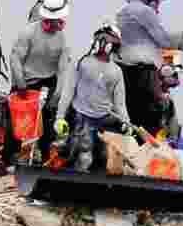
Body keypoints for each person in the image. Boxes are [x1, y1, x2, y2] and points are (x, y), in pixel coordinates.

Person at [115, 0, 183, 138]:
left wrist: (182, 44)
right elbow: (163, 39)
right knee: (151, 121)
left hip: (124, 72)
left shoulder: (123, 11)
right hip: (142, 74)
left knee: (132, 119)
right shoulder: (144, 11)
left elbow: (147, 40)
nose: (158, 4)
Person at [3, 0, 73, 171]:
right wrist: (19, 82)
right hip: (25, 83)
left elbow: (63, 69)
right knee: (15, 123)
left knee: (46, 123)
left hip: (47, 83)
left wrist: (57, 94)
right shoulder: (28, 32)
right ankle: (9, 159)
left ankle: (45, 160)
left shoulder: (63, 40)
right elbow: (16, 58)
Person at [55, 21, 132, 172]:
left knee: (104, 159)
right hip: (81, 117)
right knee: (83, 156)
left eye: (107, 40)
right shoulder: (82, 62)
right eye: (101, 38)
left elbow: (119, 103)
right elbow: (68, 91)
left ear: (114, 45)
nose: (103, 43)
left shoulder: (116, 71)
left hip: (104, 120)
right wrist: (60, 116)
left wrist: (126, 122)